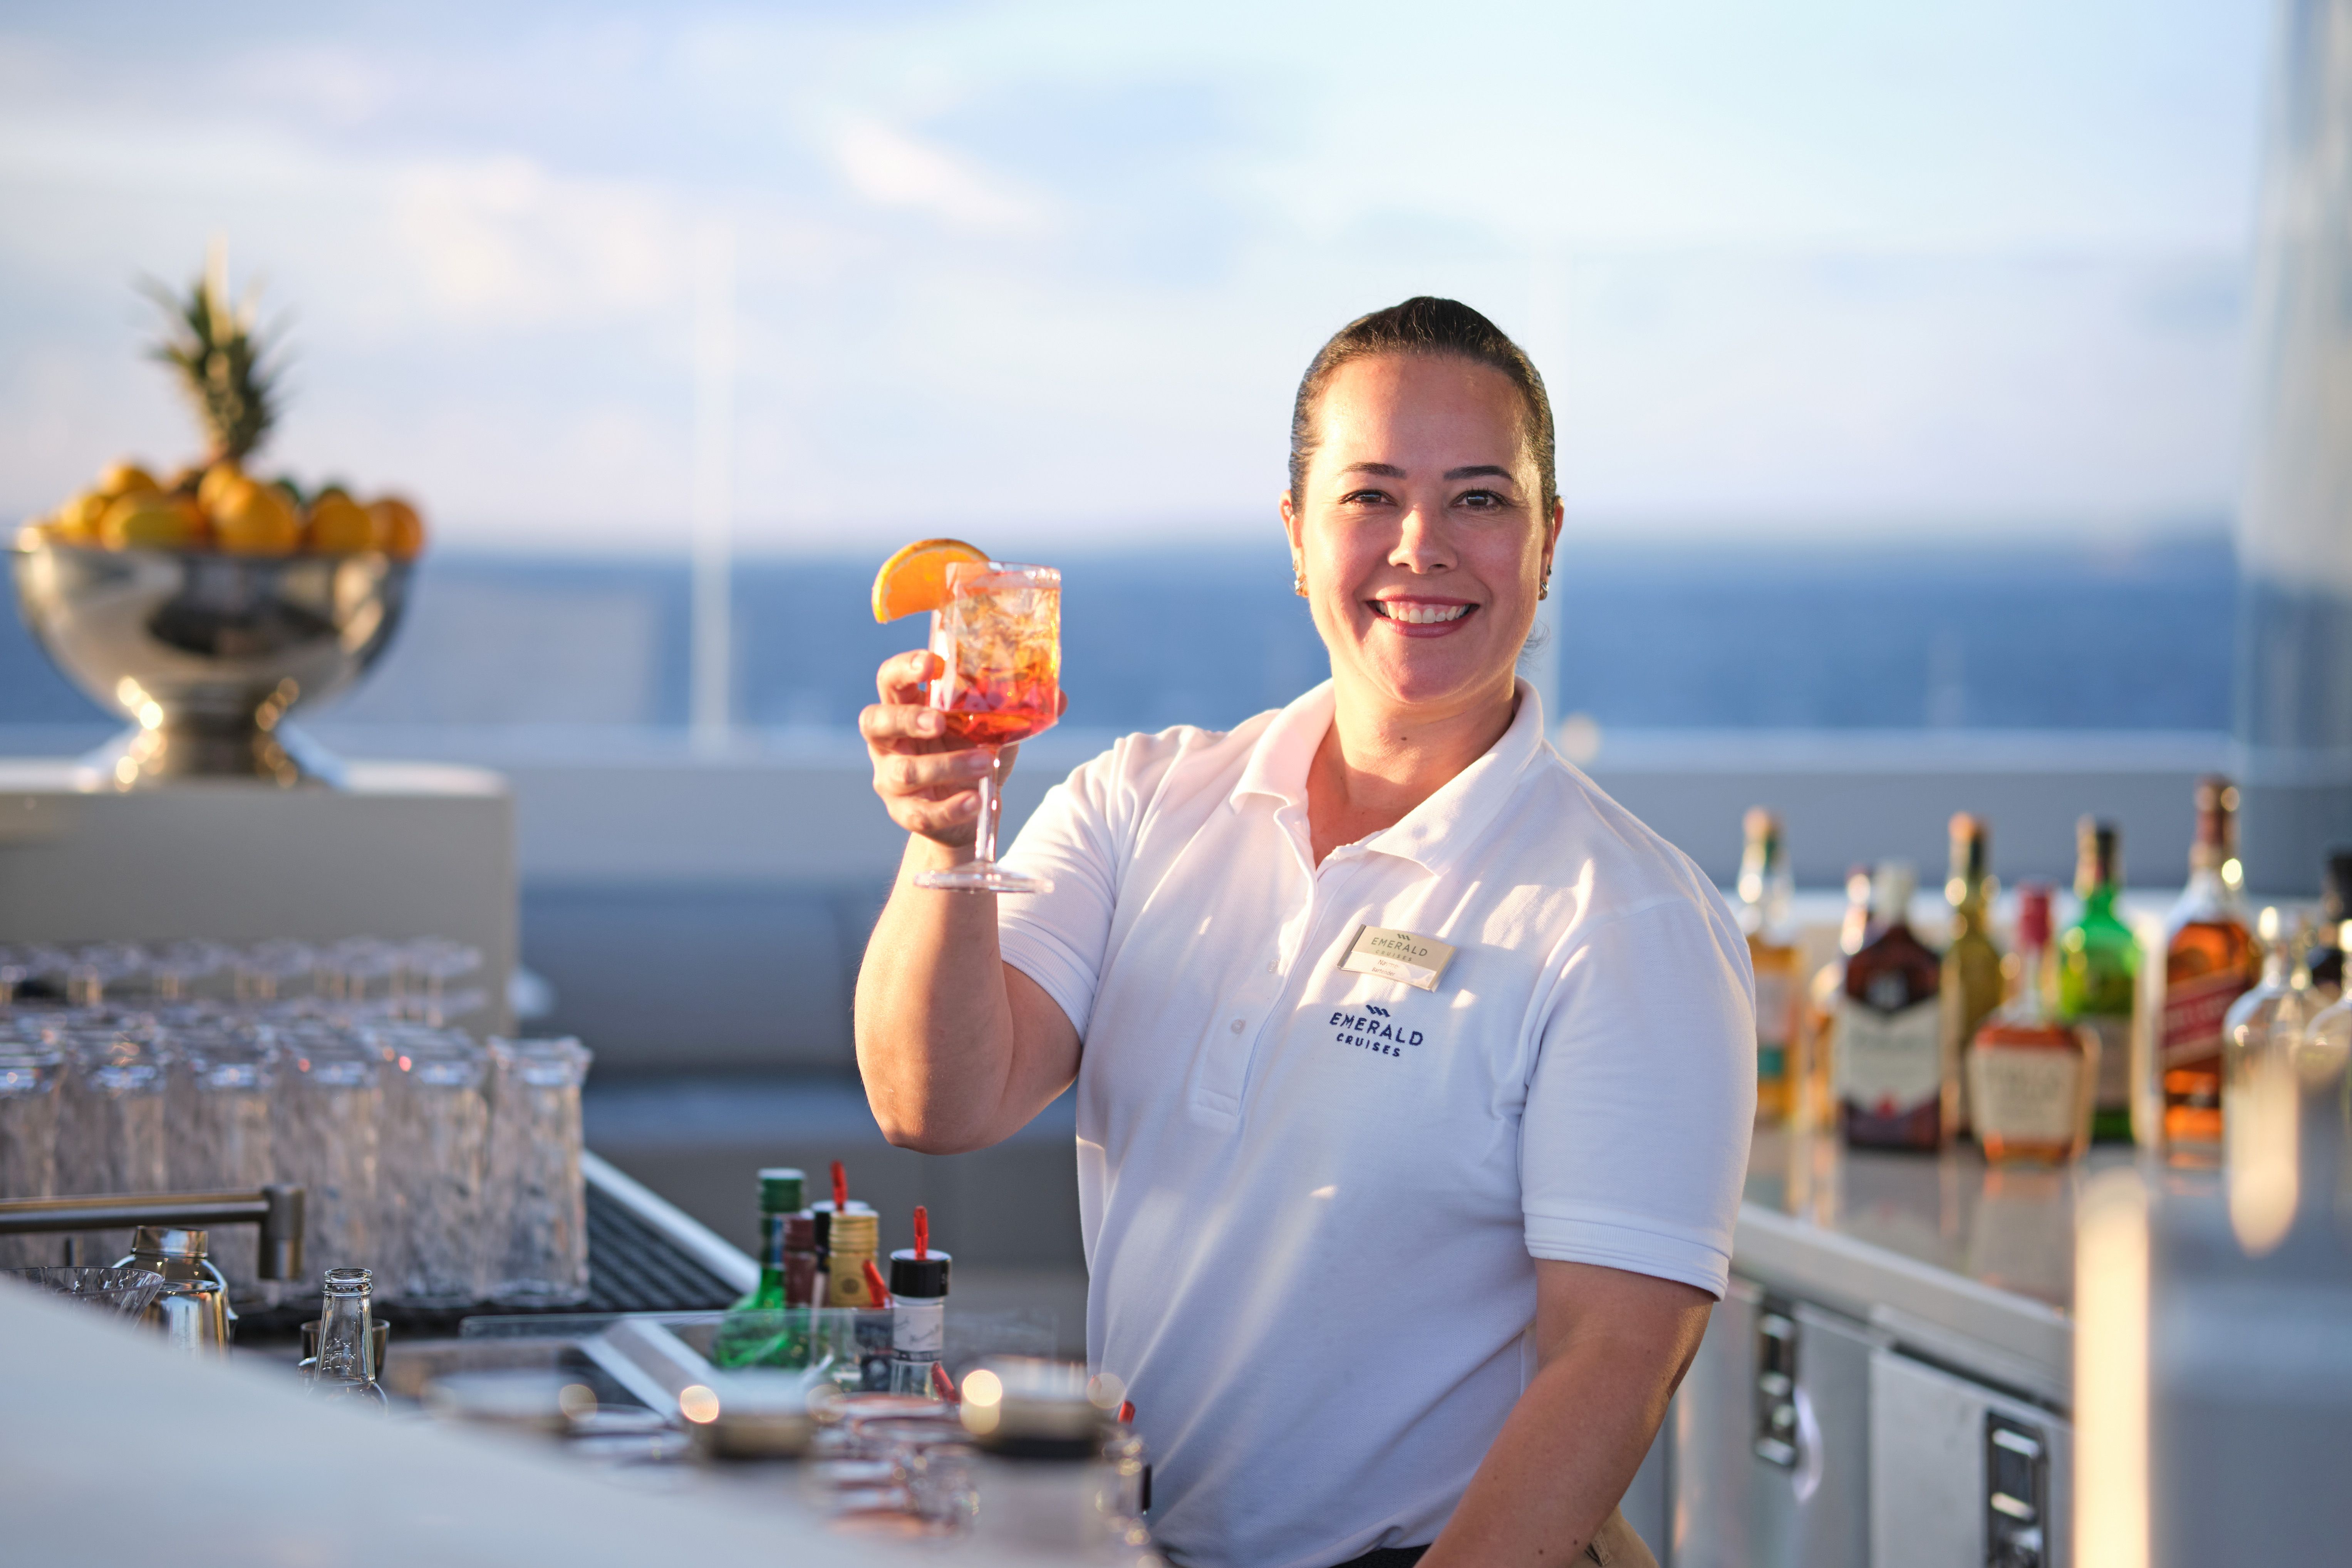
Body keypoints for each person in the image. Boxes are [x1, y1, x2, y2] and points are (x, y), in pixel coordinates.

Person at [856, 297, 1755, 1568]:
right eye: (1370, 496)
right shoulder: (1138, 802)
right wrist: (948, 841)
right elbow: (935, 1102)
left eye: (1480, 500)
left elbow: (1611, 1360)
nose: (1420, 546)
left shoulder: (1627, 917)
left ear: (1547, 543)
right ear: (1295, 534)